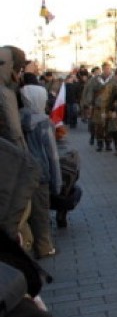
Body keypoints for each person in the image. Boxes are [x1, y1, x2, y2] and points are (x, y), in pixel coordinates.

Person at [19, 84, 61, 259]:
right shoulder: (44, 123)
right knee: (41, 214)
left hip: (20, 173)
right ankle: (44, 247)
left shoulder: (16, 119)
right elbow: (52, 154)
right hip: (40, 174)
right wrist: (57, 181)